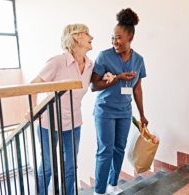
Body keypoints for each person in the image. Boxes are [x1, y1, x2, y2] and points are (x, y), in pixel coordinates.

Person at [28, 23, 93, 195]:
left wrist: (109, 77)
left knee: (71, 166)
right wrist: (34, 110)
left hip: (74, 124)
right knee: (48, 167)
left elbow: (92, 82)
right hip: (48, 125)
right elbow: (33, 85)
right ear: (77, 37)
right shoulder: (57, 62)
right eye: (87, 34)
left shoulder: (89, 65)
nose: (91, 37)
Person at [91, 8, 149, 195]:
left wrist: (142, 114)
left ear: (130, 36)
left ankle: (113, 185)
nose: (115, 41)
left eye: (118, 37)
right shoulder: (104, 56)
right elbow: (94, 86)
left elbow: (137, 88)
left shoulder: (138, 60)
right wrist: (116, 78)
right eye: (113, 37)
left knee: (119, 149)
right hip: (105, 111)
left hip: (124, 112)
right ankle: (99, 191)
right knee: (105, 151)